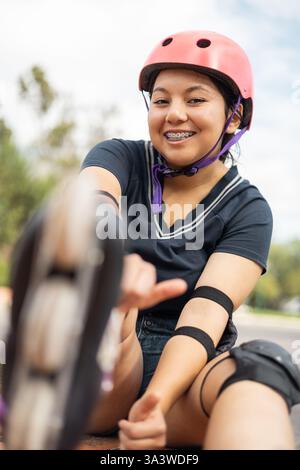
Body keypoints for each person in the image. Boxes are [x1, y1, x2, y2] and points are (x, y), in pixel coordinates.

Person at [3, 30, 300, 450]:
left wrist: (156, 405)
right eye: (161, 100)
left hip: (184, 374)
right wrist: (108, 258)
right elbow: (93, 200)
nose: (174, 114)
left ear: (234, 117)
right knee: (110, 288)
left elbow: (205, 313)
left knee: (263, 368)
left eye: (195, 100)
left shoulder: (248, 209)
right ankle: (55, 387)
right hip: (108, 360)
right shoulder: (119, 156)